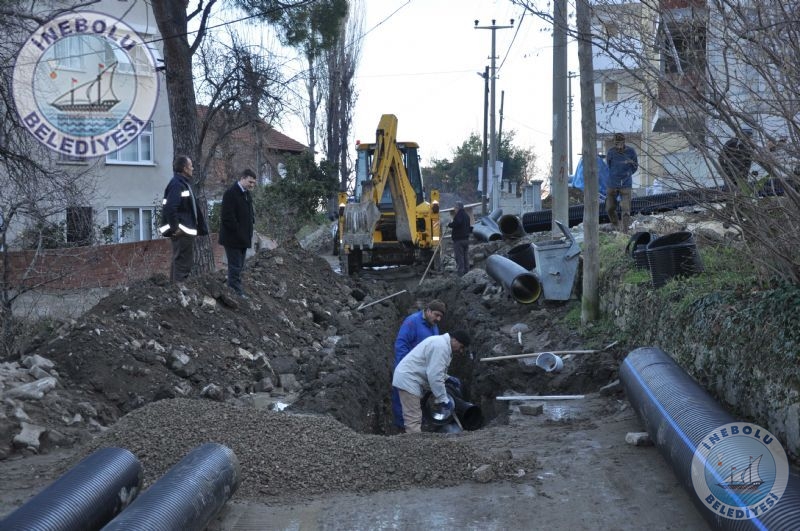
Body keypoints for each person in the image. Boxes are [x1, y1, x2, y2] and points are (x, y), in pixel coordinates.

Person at [392, 329, 471, 434]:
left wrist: (447, 378)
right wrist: (443, 399)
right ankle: (413, 445)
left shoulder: (441, 344)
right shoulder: (441, 347)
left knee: (415, 416)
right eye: (461, 347)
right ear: (455, 340)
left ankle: (414, 442)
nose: (460, 351)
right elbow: (435, 376)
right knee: (413, 418)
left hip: (411, 378)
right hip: (409, 379)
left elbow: (434, 369)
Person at [391, 299, 446, 431]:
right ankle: (401, 429)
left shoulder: (433, 326)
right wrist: (406, 367)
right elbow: (401, 345)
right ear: (427, 311)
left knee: (417, 402)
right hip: (407, 371)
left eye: (440, 317)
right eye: (436, 314)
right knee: (403, 402)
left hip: (421, 372)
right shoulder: (412, 322)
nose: (438, 318)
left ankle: (419, 426)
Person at [159, 155, 208, 282]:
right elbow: (170, 207)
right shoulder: (177, 184)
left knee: (178, 263)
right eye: (190, 166)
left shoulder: (182, 184)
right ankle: (180, 292)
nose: (193, 168)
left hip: (185, 231)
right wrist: (176, 228)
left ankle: (174, 292)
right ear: (185, 168)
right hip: (182, 232)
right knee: (182, 265)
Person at [219, 169, 257, 297]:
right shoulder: (231, 193)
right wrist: (238, 232)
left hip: (243, 239)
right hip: (233, 239)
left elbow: (249, 215)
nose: (252, 185)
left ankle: (233, 291)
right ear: (242, 178)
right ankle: (236, 293)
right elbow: (227, 217)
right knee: (235, 267)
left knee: (239, 267)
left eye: (254, 183)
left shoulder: (246, 194)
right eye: (250, 182)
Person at [605, 133, 638, 233]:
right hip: (612, 183)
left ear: (624, 142)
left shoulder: (631, 152)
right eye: (616, 144)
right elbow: (609, 165)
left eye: (619, 143)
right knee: (610, 208)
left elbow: (635, 166)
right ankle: (615, 225)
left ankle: (625, 231)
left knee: (626, 210)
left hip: (626, 184)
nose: (618, 146)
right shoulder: (611, 152)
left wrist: (628, 173)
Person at [447, 201, 471, 276]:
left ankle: (461, 274)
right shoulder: (467, 216)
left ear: (458, 208)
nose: (454, 209)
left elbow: (457, 222)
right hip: (466, 239)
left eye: (455, 208)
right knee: (465, 256)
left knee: (459, 257)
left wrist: (449, 224)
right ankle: (467, 272)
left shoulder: (459, 214)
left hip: (459, 240)